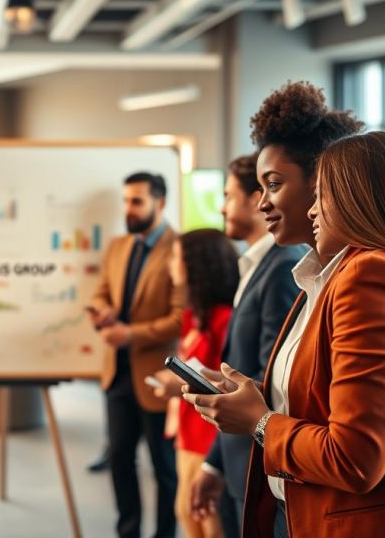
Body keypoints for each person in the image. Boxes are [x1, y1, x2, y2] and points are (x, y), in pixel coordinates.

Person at [186, 130, 385, 537]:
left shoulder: (372, 275)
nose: (312, 211)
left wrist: (259, 421)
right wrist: (256, 394)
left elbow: (355, 458)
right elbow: (331, 396)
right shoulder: (329, 278)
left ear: (359, 199)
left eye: (322, 195)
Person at [188, 155, 306, 538]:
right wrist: (214, 465)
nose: (222, 207)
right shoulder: (255, 265)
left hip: (264, 460)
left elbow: (275, 383)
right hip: (242, 457)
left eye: (228, 195)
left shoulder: (285, 267)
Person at [89, 171, 186, 538]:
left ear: (159, 203)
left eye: (136, 201)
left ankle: (164, 534)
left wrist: (129, 334)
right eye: (126, 201)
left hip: (157, 379)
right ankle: (127, 531)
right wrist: (103, 312)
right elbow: (100, 293)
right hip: (117, 375)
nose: (128, 209)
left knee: (164, 468)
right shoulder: (118, 246)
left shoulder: (178, 248)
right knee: (120, 461)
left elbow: (179, 319)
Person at [152, 229, 238, 538]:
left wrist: (183, 385)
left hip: (209, 437)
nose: (170, 265)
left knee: (208, 522)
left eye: (176, 257)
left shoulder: (224, 319)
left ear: (197, 265)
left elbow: (227, 382)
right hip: (187, 431)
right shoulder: (193, 315)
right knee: (187, 515)